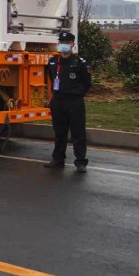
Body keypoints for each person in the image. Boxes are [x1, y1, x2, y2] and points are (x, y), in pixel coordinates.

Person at [44, 31, 91, 172]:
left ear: (72, 45)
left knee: (78, 132)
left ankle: (80, 162)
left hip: (74, 102)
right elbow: (51, 79)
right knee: (59, 132)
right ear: (58, 44)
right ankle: (58, 159)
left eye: (67, 43)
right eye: (62, 42)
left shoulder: (80, 63)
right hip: (58, 101)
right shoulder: (53, 62)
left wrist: (77, 93)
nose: (64, 45)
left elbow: (86, 83)